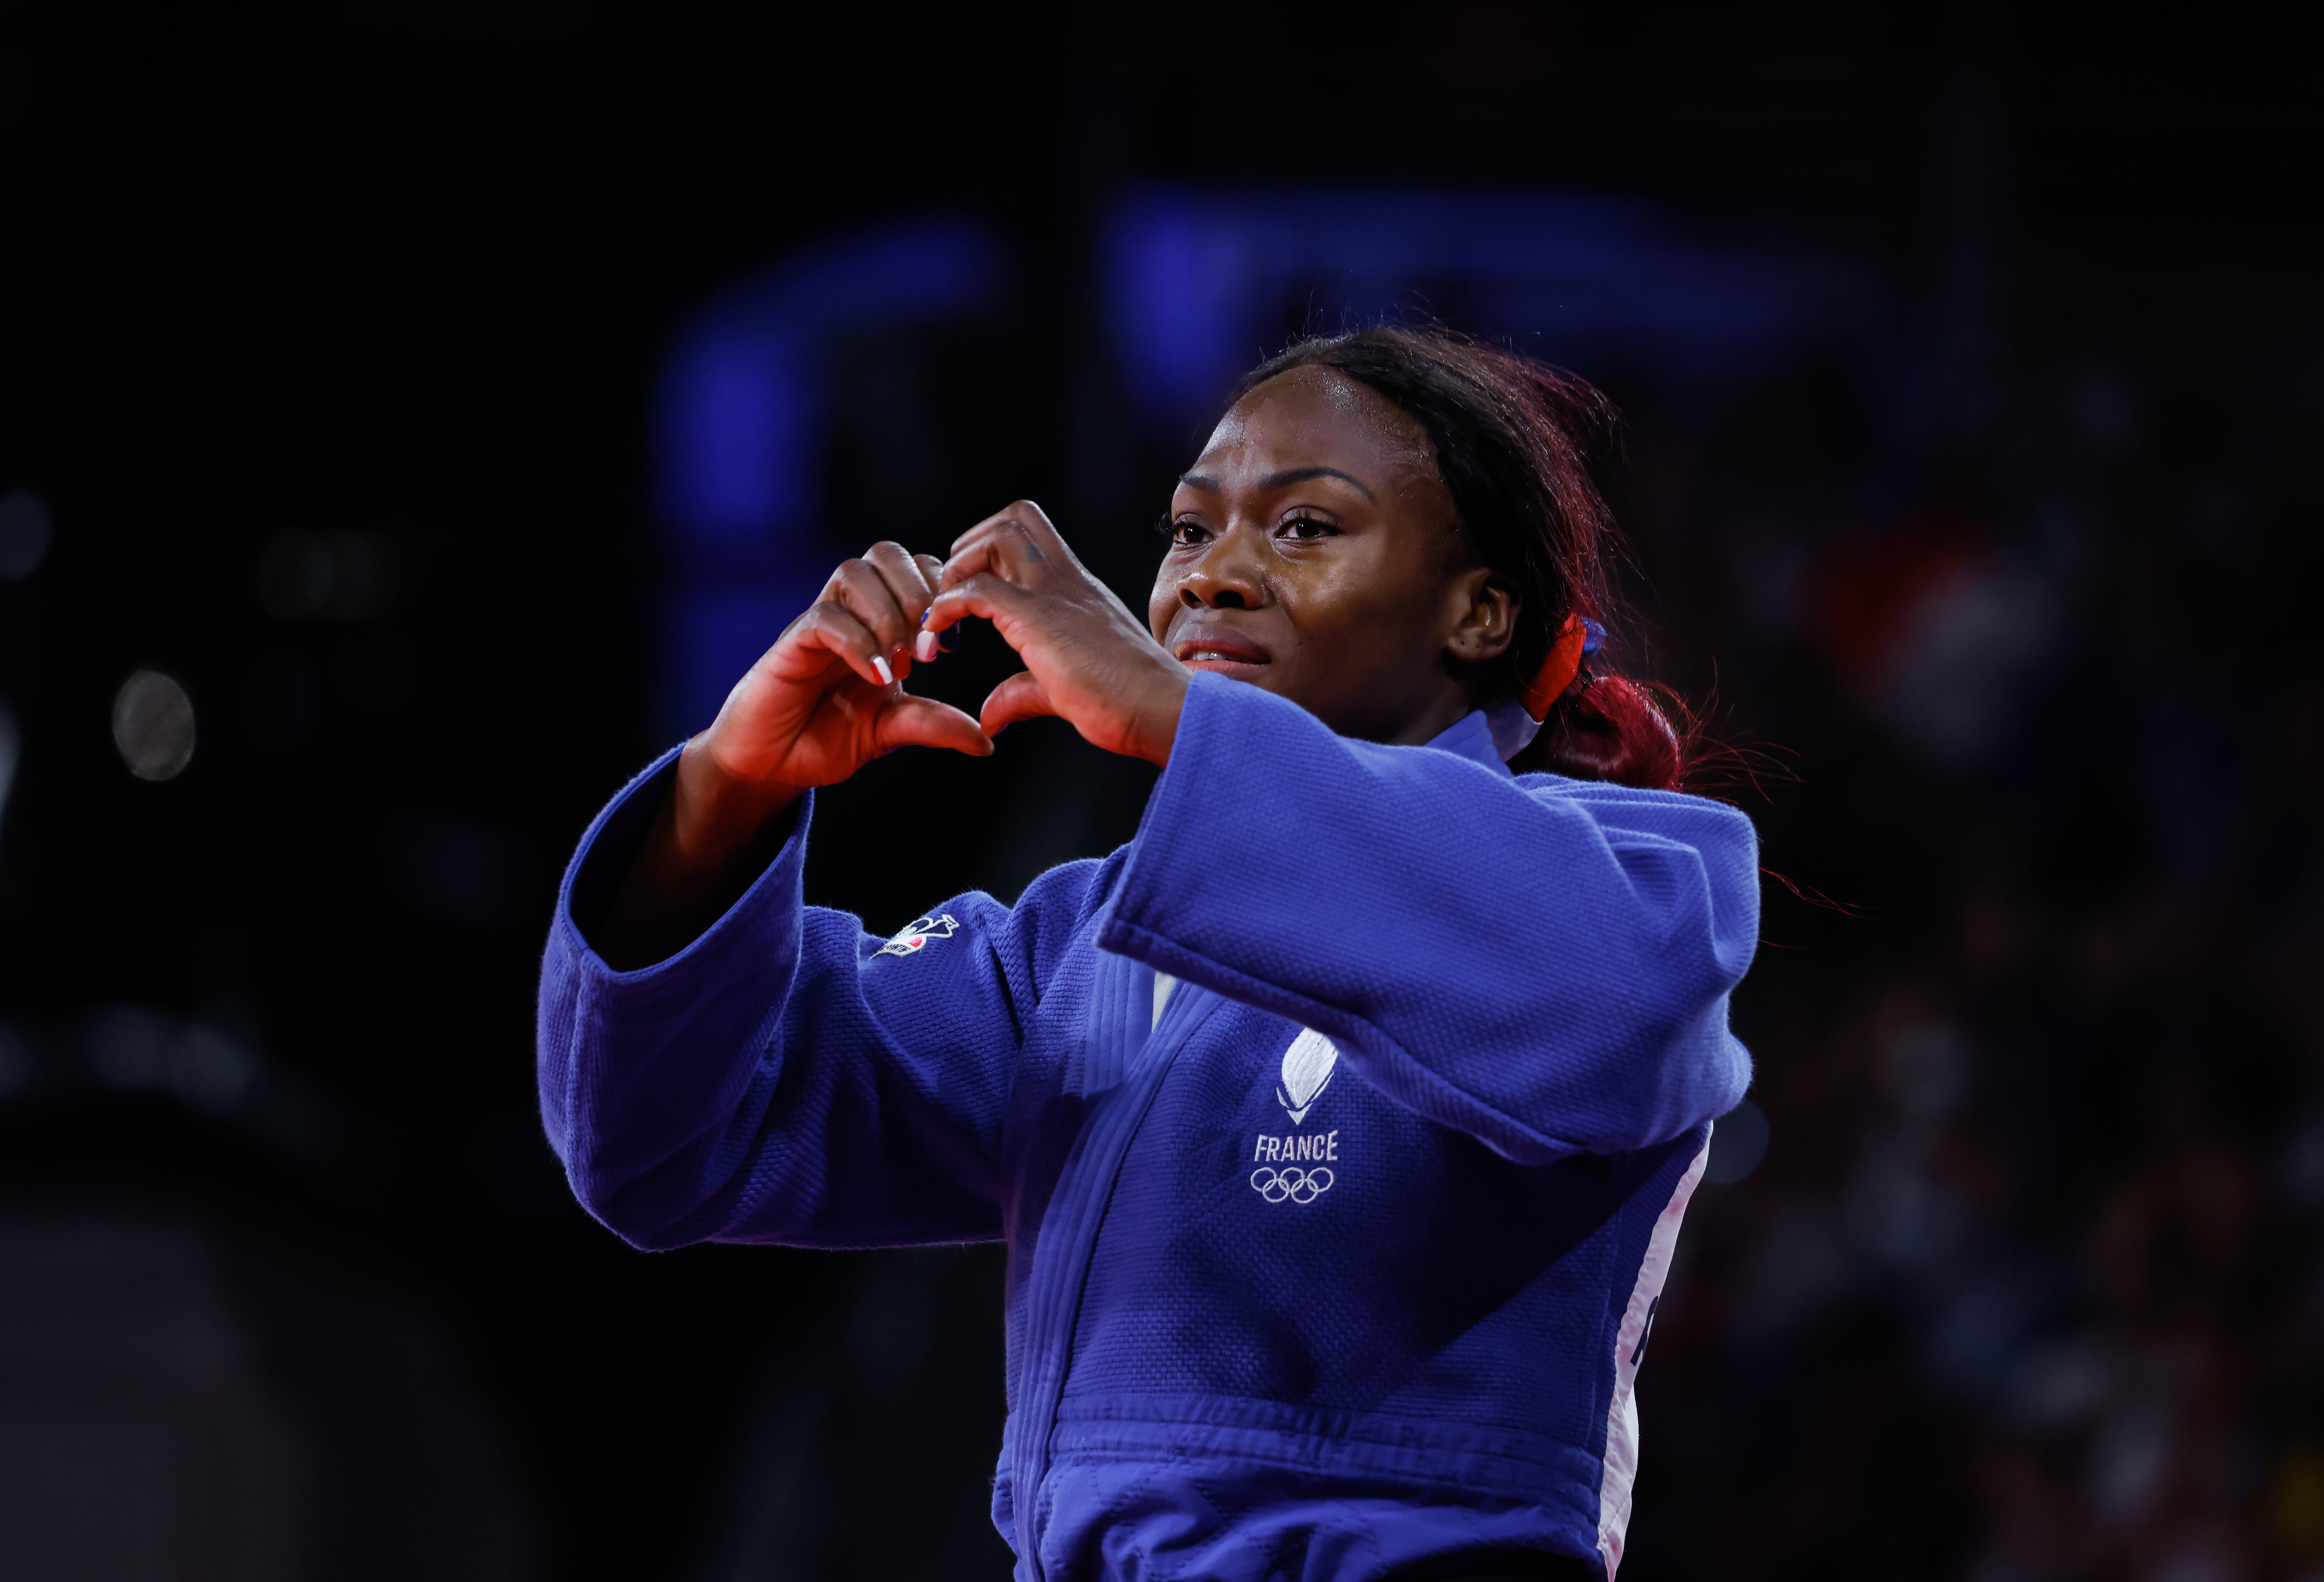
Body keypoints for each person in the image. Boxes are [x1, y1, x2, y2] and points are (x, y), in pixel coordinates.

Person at [538, 324, 1761, 1581]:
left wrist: (1179, 712)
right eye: (1190, 530)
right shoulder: (1076, 954)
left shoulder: (1651, 876)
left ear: (1481, 610)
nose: (1214, 576)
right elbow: (671, 1141)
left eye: (1304, 528)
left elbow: (1600, 998)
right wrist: (722, 798)